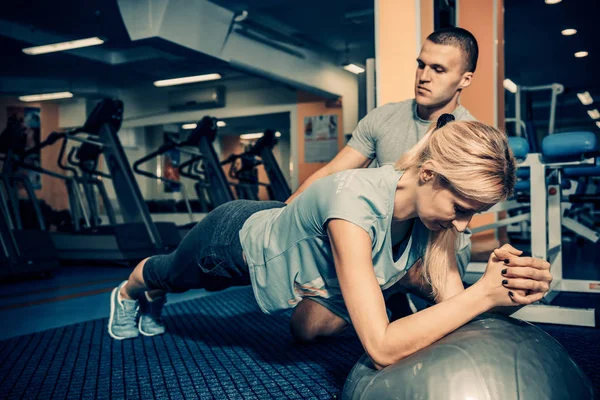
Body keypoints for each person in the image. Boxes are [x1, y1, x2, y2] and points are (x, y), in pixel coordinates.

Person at [108, 117, 552, 370]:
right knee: (169, 275)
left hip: (308, 274)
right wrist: (483, 293)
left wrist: (510, 287)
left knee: (306, 333)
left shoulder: (432, 220)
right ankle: (129, 291)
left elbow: (457, 305)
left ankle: (387, 289)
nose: (465, 223)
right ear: (429, 175)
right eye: (461, 207)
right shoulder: (352, 207)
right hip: (232, 242)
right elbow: (380, 348)